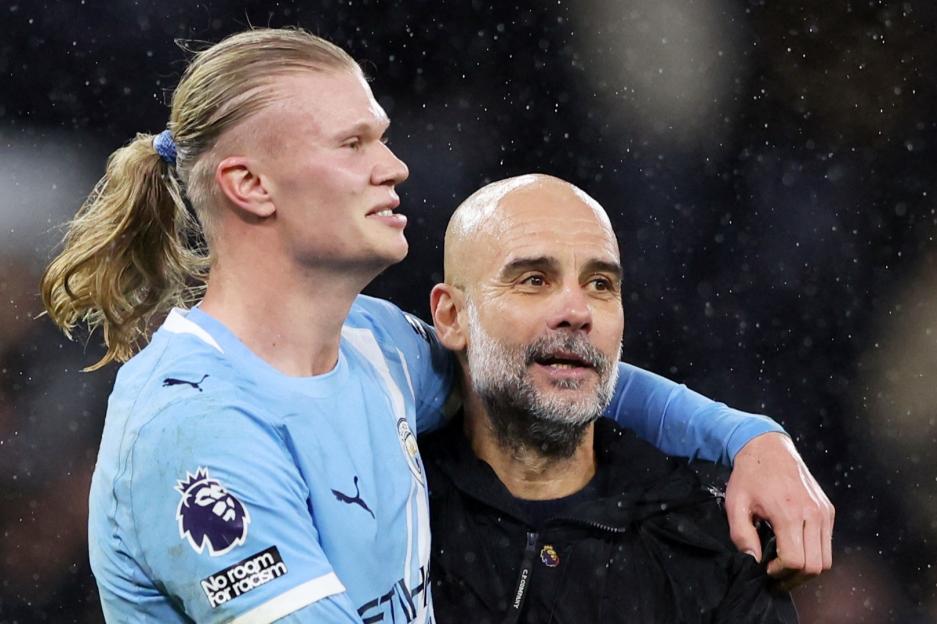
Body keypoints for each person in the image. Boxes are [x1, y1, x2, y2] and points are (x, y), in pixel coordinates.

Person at [38, 28, 830, 623]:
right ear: (249, 184)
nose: (394, 165)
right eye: (354, 143)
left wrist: (749, 440)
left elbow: (553, 361)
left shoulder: (373, 346)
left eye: (381, 136)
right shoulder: (197, 429)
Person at [423, 174, 800, 622]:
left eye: (600, 284)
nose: (577, 312)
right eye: (534, 280)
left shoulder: (715, 545)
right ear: (451, 317)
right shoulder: (390, 504)